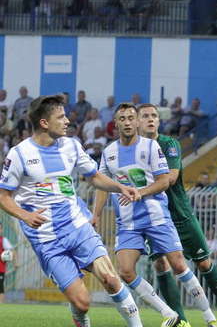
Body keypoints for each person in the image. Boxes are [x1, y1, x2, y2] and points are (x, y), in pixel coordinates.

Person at [0, 94, 144, 326]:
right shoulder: (19, 155)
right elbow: (3, 196)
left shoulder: (71, 145)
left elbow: (95, 176)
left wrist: (120, 187)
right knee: (82, 302)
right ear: (44, 123)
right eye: (61, 117)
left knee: (110, 278)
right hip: (46, 240)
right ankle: (80, 317)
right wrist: (25, 215)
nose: (68, 121)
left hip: (78, 226)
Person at [94, 103, 217, 327]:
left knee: (179, 265)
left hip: (156, 217)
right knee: (125, 270)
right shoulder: (109, 152)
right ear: (116, 124)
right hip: (127, 222)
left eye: (131, 118)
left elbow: (164, 181)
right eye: (122, 118)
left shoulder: (151, 147)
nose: (127, 122)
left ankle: (209, 316)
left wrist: (140, 193)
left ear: (136, 121)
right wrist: (95, 215)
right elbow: (102, 185)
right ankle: (167, 313)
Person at [136, 104, 217, 327]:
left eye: (154, 116)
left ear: (159, 121)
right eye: (145, 116)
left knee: (204, 263)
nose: (150, 119)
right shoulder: (133, 150)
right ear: (137, 121)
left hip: (180, 214)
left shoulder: (168, 144)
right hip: (152, 218)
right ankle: (182, 321)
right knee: (161, 265)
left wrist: (140, 187)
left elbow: (171, 178)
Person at [0, 220, 12, 304]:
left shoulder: (3, 240)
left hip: (0, 269)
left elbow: (12, 252)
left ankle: (1, 303)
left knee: (0, 287)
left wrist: (15, 262)